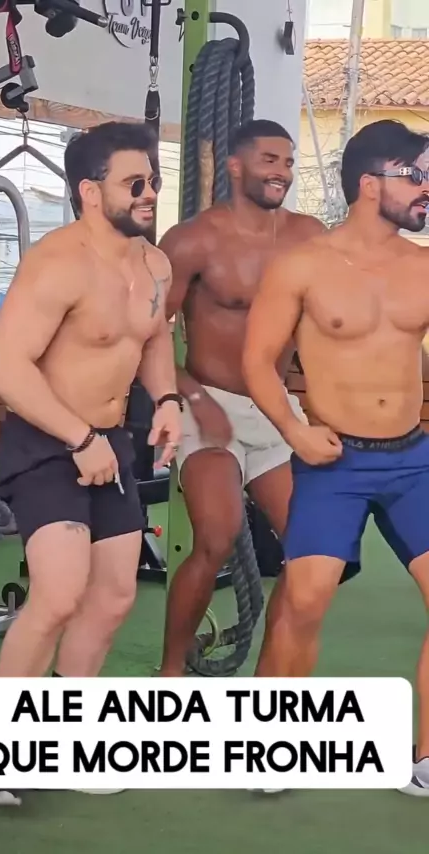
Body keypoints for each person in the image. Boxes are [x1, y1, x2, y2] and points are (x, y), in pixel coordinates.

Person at [0, 121, 182, 806]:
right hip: (46, 441)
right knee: (60, 595)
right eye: (135, 182)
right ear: (91, 192)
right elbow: (5, 366)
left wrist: (168, 398)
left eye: (153, 179)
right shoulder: (58, 263)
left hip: (109, 442)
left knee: (115, 595)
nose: (150, 192)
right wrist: (78, 437)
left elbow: (152, 337)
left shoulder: (154, 265)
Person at [242, 118, 429, 797]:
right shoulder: (304, 266)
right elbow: (257, 361)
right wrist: (293, 432)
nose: (427, 190)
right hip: (334, 460)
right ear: (370, 183)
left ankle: (424, 758)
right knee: (304, 599)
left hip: (414, 458)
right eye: (418, 176)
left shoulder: (424, 266)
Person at [157, 119, 328, 678]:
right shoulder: (193, 239)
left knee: (312, 550)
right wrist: (190, 397)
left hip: (275, 410)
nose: (282, 172)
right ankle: (171, 673)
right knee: (217, 536)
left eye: (288, 162)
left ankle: (267, 684)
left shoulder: (309, 236)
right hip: (208, 404)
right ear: (235, 165)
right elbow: (148, 338)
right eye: (269, 160)